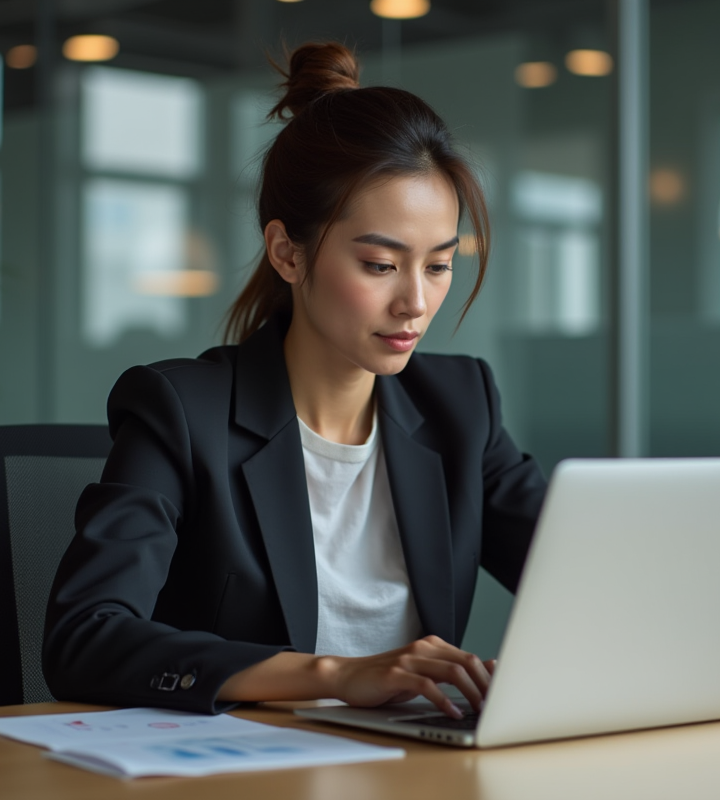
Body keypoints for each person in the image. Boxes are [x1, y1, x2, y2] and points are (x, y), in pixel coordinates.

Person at [43, 42, 547, 720]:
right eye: (379, 265)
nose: (416, 303)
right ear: (287, 252)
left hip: (414, 772)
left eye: (438, 265)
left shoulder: (461, 407)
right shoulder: (182, 411)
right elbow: (84, 639)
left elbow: (586, 580)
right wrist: (336, 675)